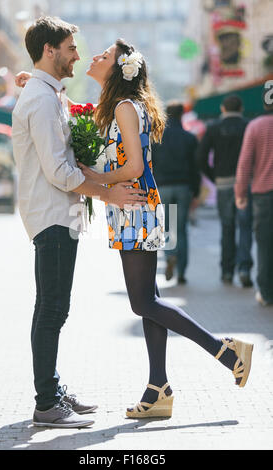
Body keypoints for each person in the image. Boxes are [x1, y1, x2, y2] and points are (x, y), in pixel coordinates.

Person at [76, 39, 254, 418]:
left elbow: (135, 167)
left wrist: (94, 176)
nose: (94, 57)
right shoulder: (123, 106)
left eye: (104, 55)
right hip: (135, 207)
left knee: (143, 302)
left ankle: (226, 351)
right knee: (149, 300)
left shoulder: (125, 107)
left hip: (136, 206)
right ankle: (159, 388)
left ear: (121, 68)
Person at [12, 17, 147, 429]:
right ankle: (47, 403)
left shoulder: (45, 93)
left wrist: (31, 79)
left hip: (59, 213)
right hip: (51, 214)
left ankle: (50, 389)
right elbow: (58, 171)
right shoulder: (40, 98)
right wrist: (107, 193)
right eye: (70, 47)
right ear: (50, 50)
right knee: (52, 309)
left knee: (53, 308)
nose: (77, 55)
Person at [197, 95, 253, 287]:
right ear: (241, 108)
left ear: (222, 109)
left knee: (227, 228)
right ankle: (244, 267)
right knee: (245, 227)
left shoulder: (213, 128)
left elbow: (201, 157)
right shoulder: (248, 126)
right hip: (246, 184)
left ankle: (227, 271)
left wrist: (214, 177)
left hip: (223, 184)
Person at [151, 102, 200, 283]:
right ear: (182, 115)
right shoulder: (189, 138)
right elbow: (196, 168)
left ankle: (170, 255)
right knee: (182, 229)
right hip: (183, 186)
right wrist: (195, 191)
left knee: (167, 227)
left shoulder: (156, 138)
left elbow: (151, 164)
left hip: (163, 186)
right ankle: (181, 273)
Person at [235, 94, 273, 306]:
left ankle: (267, 293)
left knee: (265, 244)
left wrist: (240, 193)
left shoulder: (256, 126)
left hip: (264, 195)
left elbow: (245, 163)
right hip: (263, 194)